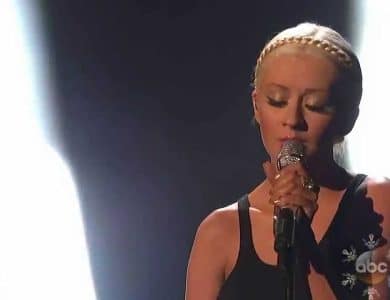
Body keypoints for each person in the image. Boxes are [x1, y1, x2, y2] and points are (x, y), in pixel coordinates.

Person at [185, 22, 390, 300]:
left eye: (315, 105)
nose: (292, 120)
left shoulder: (375, 203)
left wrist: (303, 248)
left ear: (347, 118)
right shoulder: (220, 232)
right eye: (277, 101)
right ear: (257, 105)